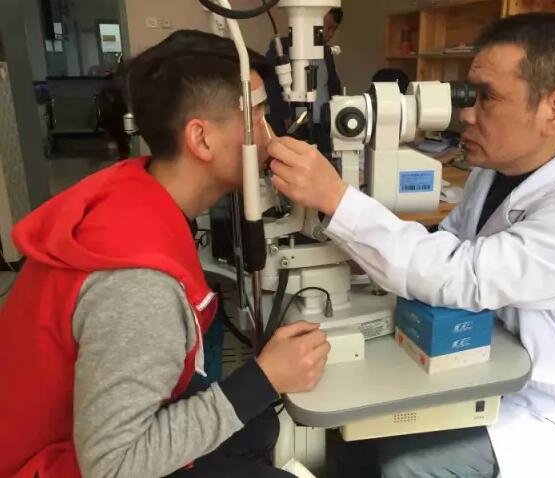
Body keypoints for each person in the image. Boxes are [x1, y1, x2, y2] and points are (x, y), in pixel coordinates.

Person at [266, 12, 555, 478]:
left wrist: (337, 200)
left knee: (407, 463)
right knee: (356, 426)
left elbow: (461, 274)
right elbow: (449, 242)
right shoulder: (500, 166)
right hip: (489, 358)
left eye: (487, 97)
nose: (466, 113)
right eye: (468, 94)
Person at [0, 30, 330, 478]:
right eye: (257, 114)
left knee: (257, 429)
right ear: (202, 139)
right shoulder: (139, 282)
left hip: (77, 431)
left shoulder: (134, 189)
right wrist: (264, 378)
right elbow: (113, 466)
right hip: (67, 465)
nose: (270, 136)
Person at [264, 7, 343, 157]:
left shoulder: (327, 54)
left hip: (322, 126)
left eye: (334, 29)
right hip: (291, 125)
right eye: (328, 27)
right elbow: (270, 85)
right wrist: (285, 114)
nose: (331, 34)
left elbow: (333, 86)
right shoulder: (280, 50)